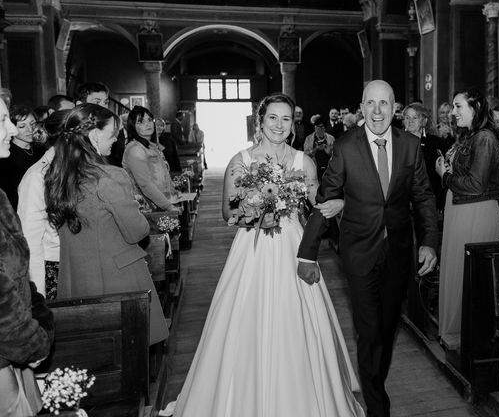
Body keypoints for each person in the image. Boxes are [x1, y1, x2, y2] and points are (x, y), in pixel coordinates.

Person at [173, 94, 363, 416]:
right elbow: (226, 211)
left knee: (299, 320)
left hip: (293, 246)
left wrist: (338, 201)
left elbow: (317, 195)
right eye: (272, 118)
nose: (279, 125)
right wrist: (260, 208)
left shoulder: (302, 161)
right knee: (244, 319)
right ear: (260, 121)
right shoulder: (242, 159)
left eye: (286, 119)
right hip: (253, 249)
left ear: (293, 124)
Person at [297, 80, 439, 417]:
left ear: (395, 108)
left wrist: (430, 242)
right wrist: (307, 251)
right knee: (368, 329)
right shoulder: (346, 147)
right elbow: (326, 198)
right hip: (359, 251)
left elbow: (423, 196)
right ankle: (377, 404)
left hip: (399, 251)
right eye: (370, 104)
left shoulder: (410, 145)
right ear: (362, 107)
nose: (377, 111)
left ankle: (375, 378)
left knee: (387, 328)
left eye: (384, 104)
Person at [44, 104, 168, 345]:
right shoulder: (109, 176)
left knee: (94, 355)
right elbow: (137, 231)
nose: (116, 140)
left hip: (76, 278)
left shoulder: (57, 177)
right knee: (130, 353)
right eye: (113, 134)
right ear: (94, 135)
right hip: (117, 279)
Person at [435, 88, 499, 346]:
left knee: (468, 274)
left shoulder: (485, 138)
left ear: (475, 109)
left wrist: (444, 176)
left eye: (458, 106)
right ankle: (457, 331)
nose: (453, 112)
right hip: (461, 208)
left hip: (474, 210)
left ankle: (467, 334)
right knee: (456, 269)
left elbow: (476, 184)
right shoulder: (471, 135)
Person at [0, 96, 54, 417]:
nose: (11, 130)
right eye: (4, 121)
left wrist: (38, 318)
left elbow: (17, 271)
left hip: (15, 351)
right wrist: (32, 343)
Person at [17, 110, 70, 300]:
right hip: (55, 265)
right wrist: (39, 295)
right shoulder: (37, 176)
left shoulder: (75, 169)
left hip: (78, 261)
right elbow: (31, 239)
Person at [123, 106, 180, 212]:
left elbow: (163, 172)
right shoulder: (135, 149)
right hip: (147, 208)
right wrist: (168, 206)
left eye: (149, 120)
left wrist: (172, 190)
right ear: (133, 126)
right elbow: (145, 184)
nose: (147, 124)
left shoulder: (150, 146)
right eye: (141, 122)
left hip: (160, 203)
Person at [403, 102, 447, 211]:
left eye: (415, 117)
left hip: (431, 202)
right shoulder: (397, 143)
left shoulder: (436, 143)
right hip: (403, 203)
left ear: (424, 121)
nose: (410, 121)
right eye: (407, 117)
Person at [0, 106, 42, 209]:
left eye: (32, 124)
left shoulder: (41, 149)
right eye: (22, 126)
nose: (30, 129)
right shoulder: (6, 157)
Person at [303, 116, 335, 181]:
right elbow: (305, 156)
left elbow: (336, 155)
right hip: (314, 168)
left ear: (325, 128)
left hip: (328, 170)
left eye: (322, 127)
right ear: (314, 127)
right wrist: (315, 149)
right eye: (317, 127)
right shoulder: (309, 138)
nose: (319, 129)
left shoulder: (331, 138)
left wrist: (328, 151)